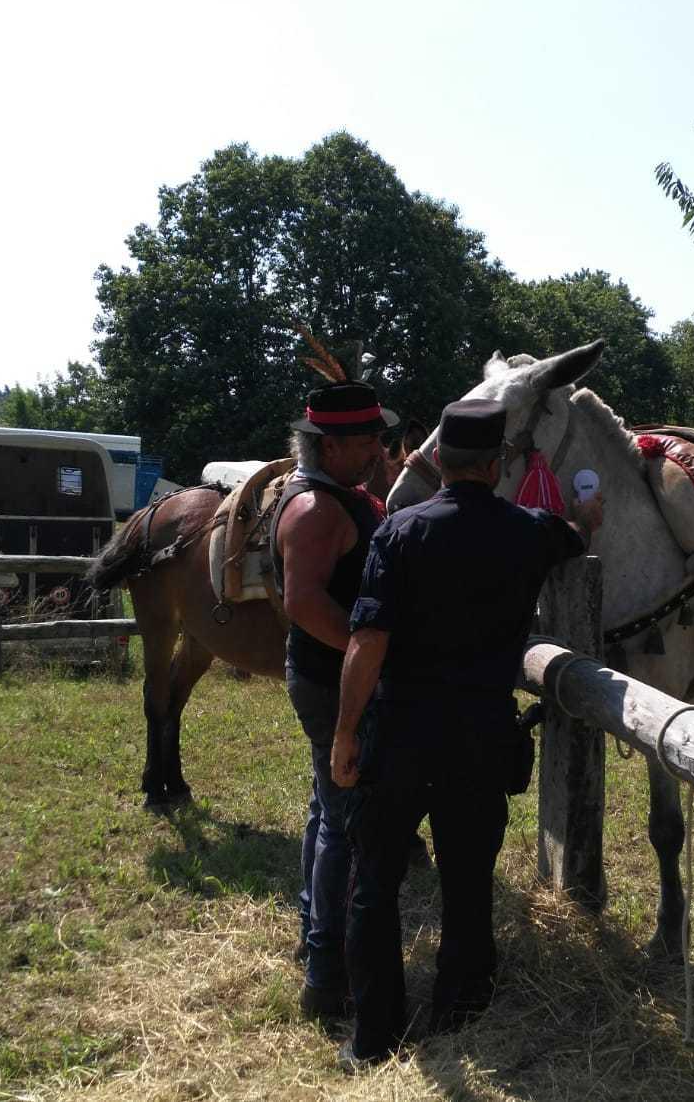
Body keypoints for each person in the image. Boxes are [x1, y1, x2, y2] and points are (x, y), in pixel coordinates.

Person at [331, 398, 605, 1069]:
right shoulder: (531, 531)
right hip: (480, 736)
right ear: (495, 464)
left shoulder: (398, 533)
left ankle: (374, 1036)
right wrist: (586, 515)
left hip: (398, 732)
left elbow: (367, 641)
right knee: (467, 882)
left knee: (374, 883)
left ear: (439, 461)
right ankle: (460, 1015)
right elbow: (574, 534)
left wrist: (344, 733)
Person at [270, 379, 396, 1023]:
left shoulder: (338, 495)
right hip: (333, 680)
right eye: (370, 437)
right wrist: (365, 652)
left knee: (328, 811)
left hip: (329, 675)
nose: (380, 445)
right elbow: (303, 601)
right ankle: (328, 976)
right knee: (345, 826)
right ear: (335, 445)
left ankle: (316, 945)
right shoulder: (318, 510)